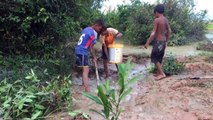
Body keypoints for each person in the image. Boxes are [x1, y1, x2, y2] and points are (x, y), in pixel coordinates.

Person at [75, 19, 106, 92]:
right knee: (86, 70)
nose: (99, 30)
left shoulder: (86, 29)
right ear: (96, 25)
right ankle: (87, 90)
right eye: (99, 28)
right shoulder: (93, 33)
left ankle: (83, 85)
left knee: (84, 69)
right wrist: (94, 56)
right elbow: (91, 47)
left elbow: (87, 44)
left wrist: (93, 56)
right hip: (82, 51)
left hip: (78, 50)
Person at [144, 4, 171, 80]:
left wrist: (147, 42)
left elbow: (153, 33)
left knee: (154, 57)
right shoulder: (165, 20)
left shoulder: (157, 20)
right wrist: (167, 41)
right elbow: (169, 31)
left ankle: (162, 74)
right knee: (159, 57)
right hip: (163, 41)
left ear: (156, 12)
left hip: (158, 41)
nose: (154, 15)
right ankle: (159, 73)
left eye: (154, 13)